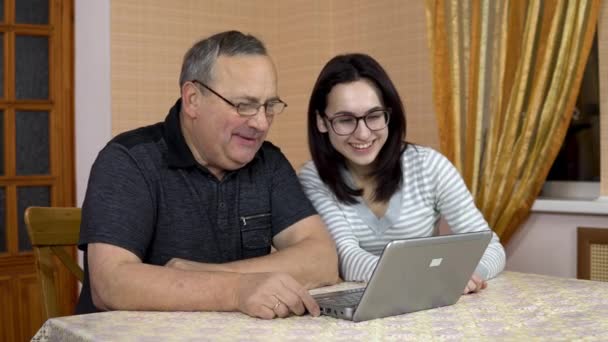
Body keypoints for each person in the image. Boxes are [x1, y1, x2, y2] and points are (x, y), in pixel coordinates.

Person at [76, 31, 339, 319]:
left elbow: (322, 259)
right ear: (192, 100)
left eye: (269, 106)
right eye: (244, 105)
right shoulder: (129, 159)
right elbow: (110, 284)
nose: (261, 123)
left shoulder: (268, 162)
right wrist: (236, 290)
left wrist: (207, 274)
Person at [298, 53, 505, 294]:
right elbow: (345, 259)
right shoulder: (313, 179)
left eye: (374, 116)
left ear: (389, 115)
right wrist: (423, 276)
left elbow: (490, 247)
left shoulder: (429, 165)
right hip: (359, 314)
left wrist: (469, 274)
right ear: (321, 122)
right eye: (345, 120)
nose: (363, 134)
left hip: (427, 307)